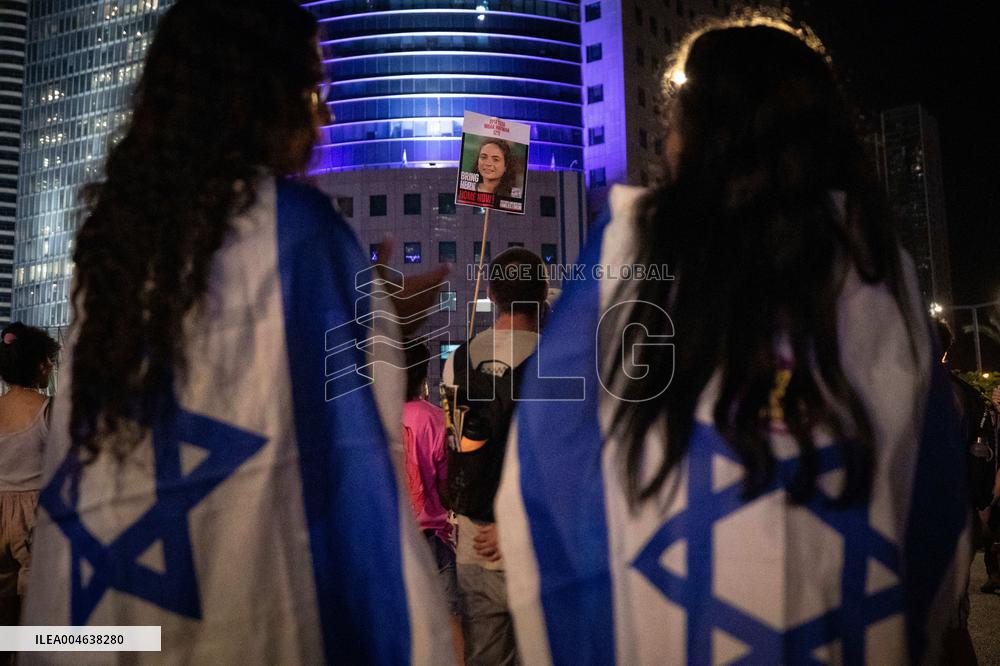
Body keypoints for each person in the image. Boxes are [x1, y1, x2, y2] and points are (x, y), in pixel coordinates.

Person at [495, 17, 968, 664]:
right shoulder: (882, 271)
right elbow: (933, 500)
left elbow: (545, 458)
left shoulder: (630, 253)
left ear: (692, 132)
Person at [22, 1, 452, 663]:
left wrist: (373, 311)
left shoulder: (117, 243)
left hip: (110, 588)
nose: (326, 114)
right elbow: (341, 451)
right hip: (240, 601)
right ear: (260, 97)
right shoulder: (297, 231)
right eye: (313, 90)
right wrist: (382, 315)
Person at [443, 248, 548, 666]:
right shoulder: (564, 364)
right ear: (543, 295)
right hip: (539, 538)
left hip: (475, 540)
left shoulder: (457, 362)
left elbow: (460, 444)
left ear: (490, 293)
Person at [401, 342, 463, 660]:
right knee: (451, 616)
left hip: (387, 537)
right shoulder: (434, 418)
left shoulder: (372, 418)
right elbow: (445, 482)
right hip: (430, 537)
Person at [0, 324, 58, 640]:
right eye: (50, 360)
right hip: (34, 517)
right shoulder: (47, 409)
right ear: (39, 365)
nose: (51, 367)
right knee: (32, 609)